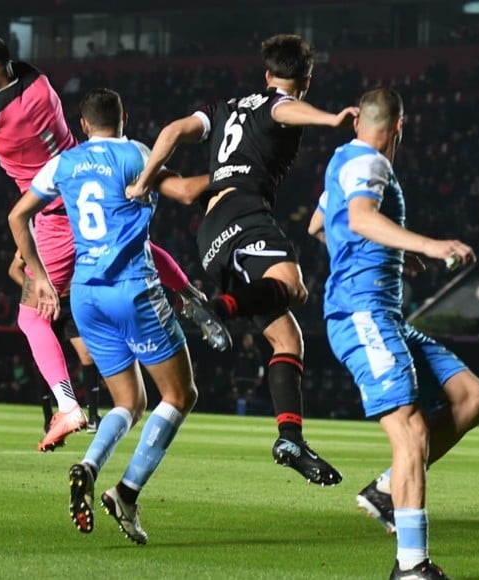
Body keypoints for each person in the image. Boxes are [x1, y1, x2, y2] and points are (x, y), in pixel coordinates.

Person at [0, 6, 228, 452]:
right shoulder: (36, 81)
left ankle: (67, 405)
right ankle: (191, 297)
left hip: (56, 212)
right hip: (95, 183)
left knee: (30, 314)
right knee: (135, 247)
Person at [125, 33, 356, 486]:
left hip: (210, 233)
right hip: (245, 214)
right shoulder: (281, 103)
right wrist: (332, 118)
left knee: (288, 339)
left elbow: (171, 132)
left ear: (266, 72)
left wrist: (143, 182)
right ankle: (218, 306)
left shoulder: (221, 107)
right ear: (304, 80)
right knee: (294, 285)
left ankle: (290, 438)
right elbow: (283, 108)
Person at [310, 87, 479, 579]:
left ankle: (387, 490)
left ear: (357, 123)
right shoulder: (371, 163)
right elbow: (363, 217)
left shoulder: (342, 161)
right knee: (410, 432)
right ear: (400, 127)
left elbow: (319, 225)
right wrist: (429, 246)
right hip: (362, 315)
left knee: (470, 397)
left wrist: (389, 253)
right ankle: (411, 567)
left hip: (383, 315)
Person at [9, 88, 199, 544]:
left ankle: (89, 466)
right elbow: (186, 193)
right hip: (132, 289)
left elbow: (18, 216)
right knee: (180, 394)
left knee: (129, 403)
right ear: (124, 117)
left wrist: (39, 279)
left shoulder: (64, 164)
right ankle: (127, 492)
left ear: (82, 125)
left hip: (85, 295)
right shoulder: (136, 154)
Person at [8, 251, 102, 432]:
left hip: (71, 303)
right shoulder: (34, 237)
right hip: (45, 302)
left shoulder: (76, 231)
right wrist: (37, 289)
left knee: (87, 354)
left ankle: (93, 416)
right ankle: (48, 417)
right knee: (45, 362)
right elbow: (14, 269)